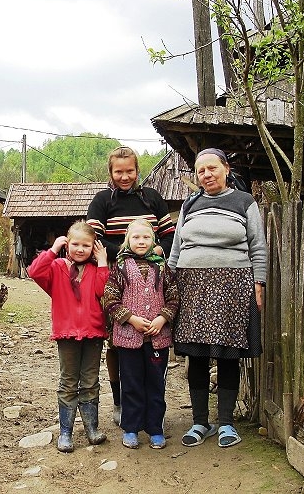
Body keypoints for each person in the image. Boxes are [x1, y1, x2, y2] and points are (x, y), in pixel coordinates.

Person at [166, 148, 267, 449]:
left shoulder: (244, 201)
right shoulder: (189, 204)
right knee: (195, 355)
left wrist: (258, 282)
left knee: (227, 354)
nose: (206, 175)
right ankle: (200, 423)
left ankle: (226, 424)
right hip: (191, 285)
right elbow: (176, 247)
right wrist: (169, 283)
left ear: (225, 168)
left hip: (232, 286)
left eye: (212, 168)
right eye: (200, 171)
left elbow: (258, 245)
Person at [87, 146, 176, 425]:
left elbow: (170, 235)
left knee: (154, 339)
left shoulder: (152, 198)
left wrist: (158, 251)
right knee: (117, 342)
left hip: (154, 279)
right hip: (116, 279)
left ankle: (151, 405)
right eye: (118, 172)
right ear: (110, 173)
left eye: (130, 171)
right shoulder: (102, 201)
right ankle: (120, 402)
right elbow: (95, 241)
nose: (124, 177)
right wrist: (128, 252)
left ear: (138, 171)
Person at [27, 220, 110, 452]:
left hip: (93, 333)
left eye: (86, 245)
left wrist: (102, 262)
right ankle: (66, 432)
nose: (80, 249)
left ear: (94, 246)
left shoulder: (96, 270)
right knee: (68, 382)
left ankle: (92, 429)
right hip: (66, 334)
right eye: (75, 244)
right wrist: (52, 250)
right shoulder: (57, 268)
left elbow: (104, 292)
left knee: (91, 381)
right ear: (67, 243)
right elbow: (34, 271)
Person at [101, 219, 178, 449]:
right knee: (131, 384)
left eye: (146, 237)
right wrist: (131, 319)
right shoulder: (121, 267)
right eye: (136, 237)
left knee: (156, 384)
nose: (141, 241)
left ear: (153, 241)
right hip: (128, 339)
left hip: (157, 338)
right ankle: (131, 427)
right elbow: (110, 300)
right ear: (127, 241)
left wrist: (162, 318)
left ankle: (155, 428)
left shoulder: (163, 268)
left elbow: (174, 298)